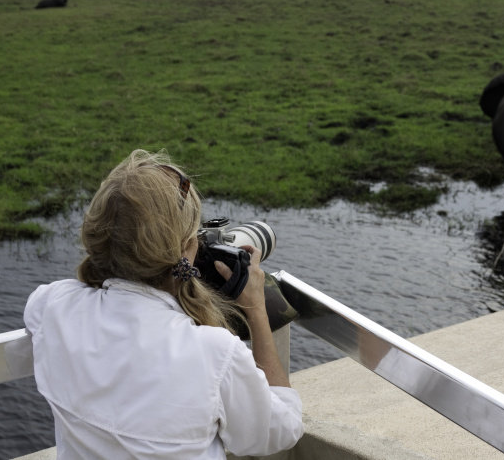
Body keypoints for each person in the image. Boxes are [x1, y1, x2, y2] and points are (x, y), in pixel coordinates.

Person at [23, 149, 303, 459]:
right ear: (187, 249)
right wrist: (255, 308)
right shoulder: (214, 352)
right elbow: (281, 431)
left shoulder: (54, 306)